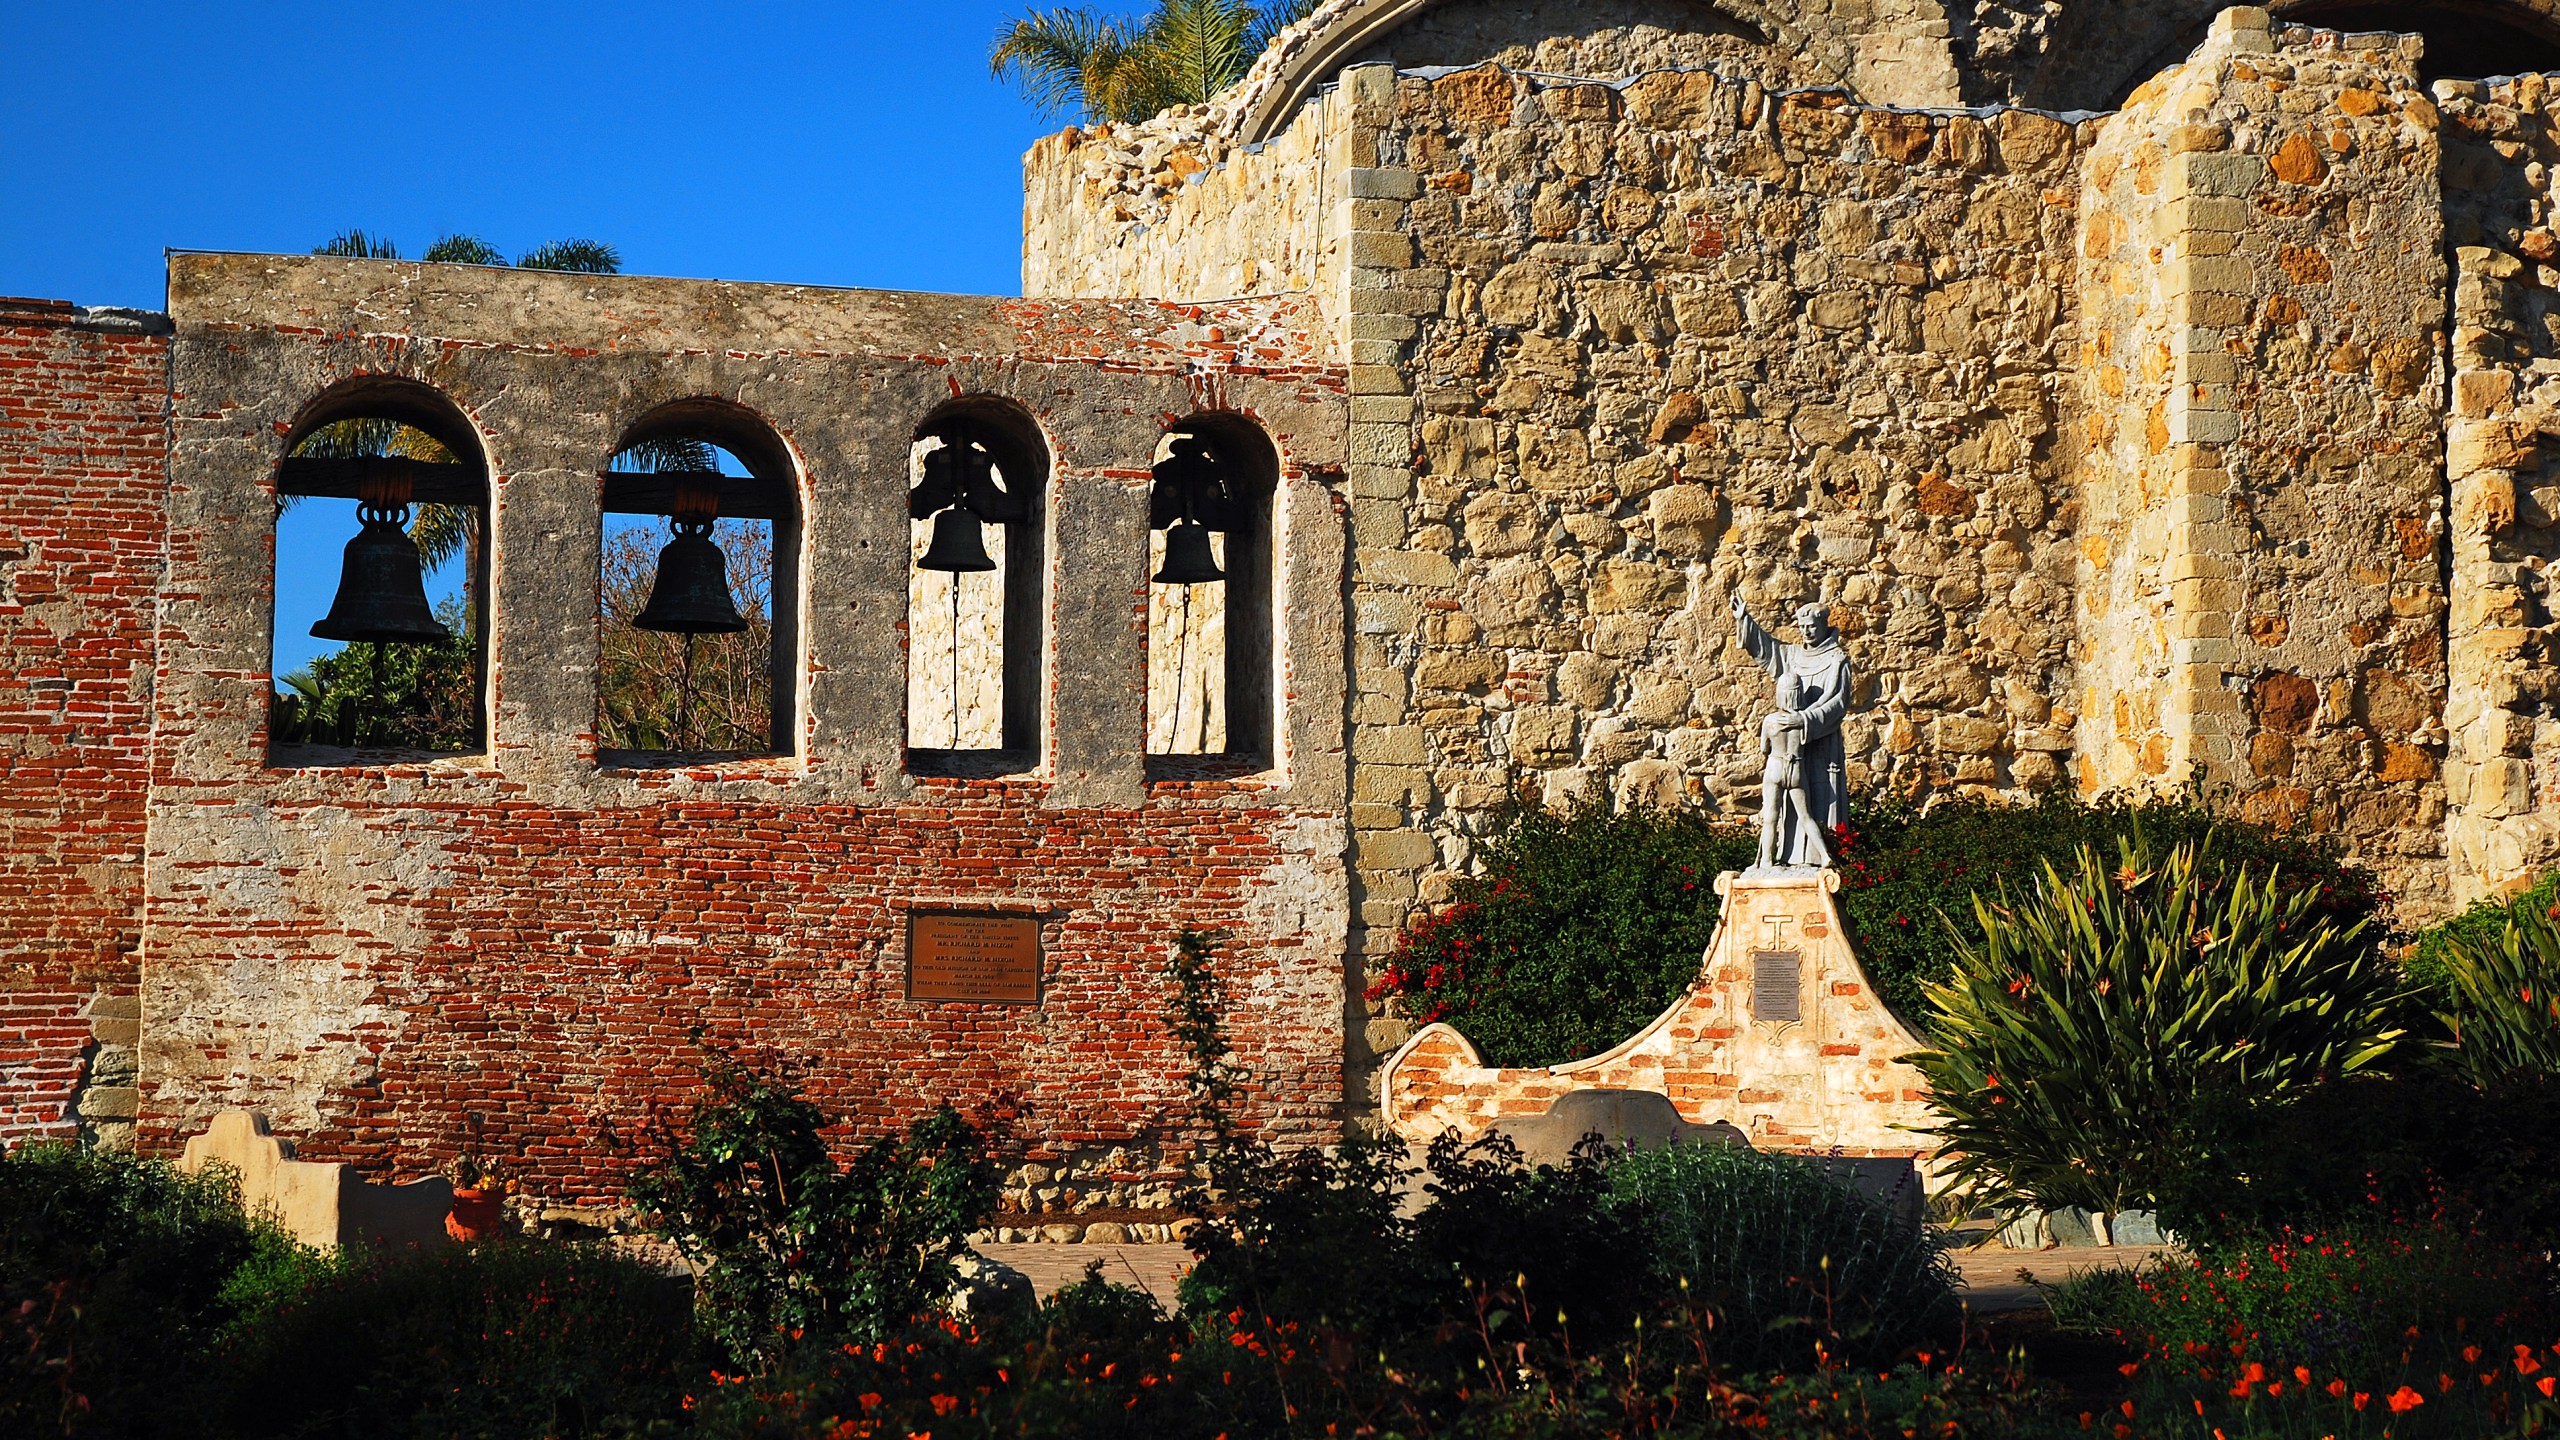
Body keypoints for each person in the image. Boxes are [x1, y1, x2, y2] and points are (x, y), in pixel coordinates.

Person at [1731, 592, 1852, 869]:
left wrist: (1804, 720)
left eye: (1811, 626)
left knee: (1816, 804)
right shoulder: (1793, 656)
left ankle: (1818, 859)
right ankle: (1785, 858)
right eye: (1802, 627)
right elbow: (1769, 650)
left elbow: (1838, 704)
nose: (1806, 632)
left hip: (1820, 747)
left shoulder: (1837, 660)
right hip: (1793, 752)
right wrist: (1745, 621)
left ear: (1824, 624)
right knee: (1789, 811)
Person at [1758, 672, 1831, 870]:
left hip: (1775, 767)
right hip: (1796, 768)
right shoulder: (1803, 722)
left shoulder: (1771, 720)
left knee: (1771, 818)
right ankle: (1824, 855)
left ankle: (1766, 860)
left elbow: (1764, 748)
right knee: (1806, 816)